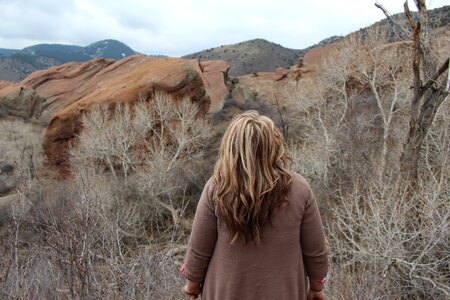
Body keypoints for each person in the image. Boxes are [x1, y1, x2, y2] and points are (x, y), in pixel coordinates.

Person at [181, 111, 329, 300]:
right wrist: (316, 287)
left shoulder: (217, 187)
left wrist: (192, 286)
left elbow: (199, 249)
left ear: (231, 148)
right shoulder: (299, 189)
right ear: (273, 146)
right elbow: (315, 251)